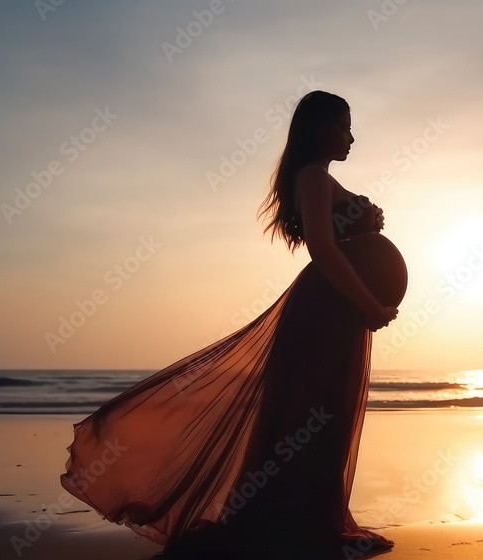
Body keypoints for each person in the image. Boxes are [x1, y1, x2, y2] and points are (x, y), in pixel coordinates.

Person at [60, 90, 401, 559]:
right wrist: (371, 304)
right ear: (321, 129)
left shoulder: (317, 179)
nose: (351, 136)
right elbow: (322, 251)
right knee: (314, 416)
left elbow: (333, 244)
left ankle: (307, 525)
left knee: (321, 416)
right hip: (328, 312)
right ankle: (299, 533)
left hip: (335, 311)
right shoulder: (314, 179)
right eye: (344, 126)